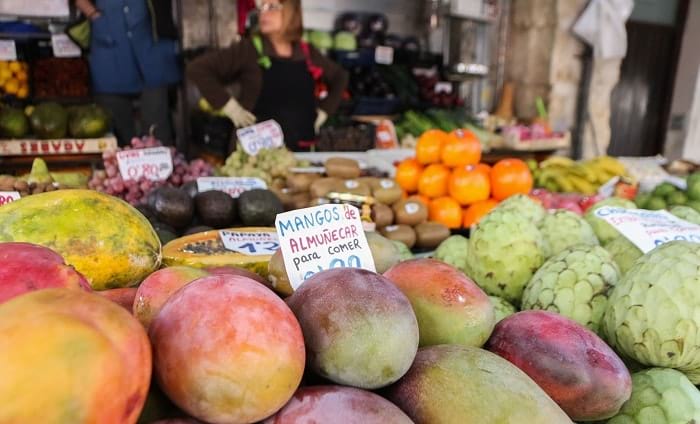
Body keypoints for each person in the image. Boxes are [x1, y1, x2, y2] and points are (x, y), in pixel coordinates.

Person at [187, 0, 349, 151]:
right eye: (261, 8)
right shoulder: (248, 49)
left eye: (271, 7)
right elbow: (198, 69)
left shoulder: (307, 52)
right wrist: (230, 106)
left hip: (300, 151)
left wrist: (325, 110)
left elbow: (340, 76)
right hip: (256, 152)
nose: (263, 14)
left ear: (290, 11)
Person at [74, 0, 181, 146]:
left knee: (157, 132)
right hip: (109, 43)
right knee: (116, 135)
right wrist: (93, 14)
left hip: (150, 48)